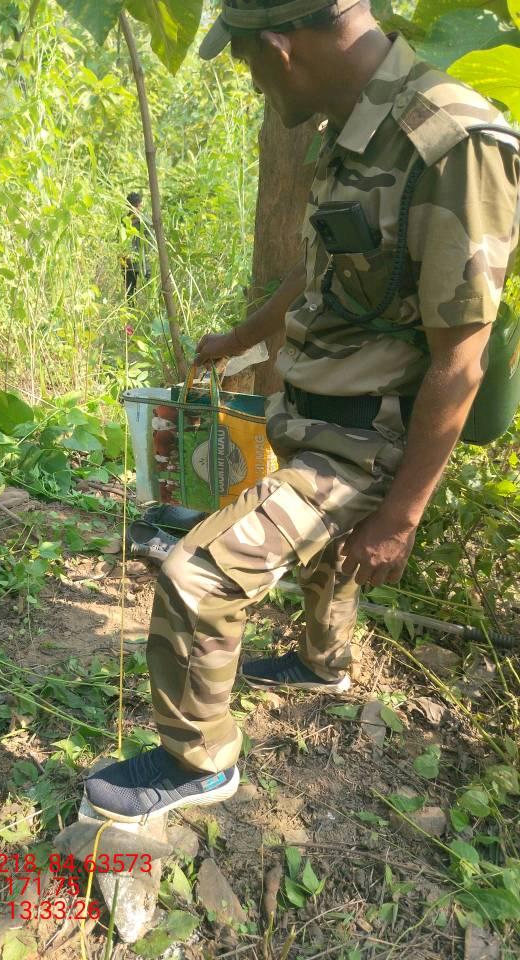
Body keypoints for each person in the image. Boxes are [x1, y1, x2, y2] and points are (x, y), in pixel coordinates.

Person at [86, 0, 520, 822]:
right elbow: (324, 265)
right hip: (323, 412)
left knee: (199, 575)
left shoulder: (451, 145)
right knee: (327, 557)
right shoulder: (354, 123)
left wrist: (401, 517)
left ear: (281, 49)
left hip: (370, 437)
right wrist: (240, 338)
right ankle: (325, 664)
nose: (255, 84)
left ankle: (196, 763)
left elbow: (459, 359)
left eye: (249, 64)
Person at [121, 191, 150, 302]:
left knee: (146, 288)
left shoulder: (145, 220)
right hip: (130, 262)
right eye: (137, 206)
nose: (139, 208)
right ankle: (132, 309)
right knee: (130, 291)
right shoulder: (124, 221)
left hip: (142, 262)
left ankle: (146, 307)